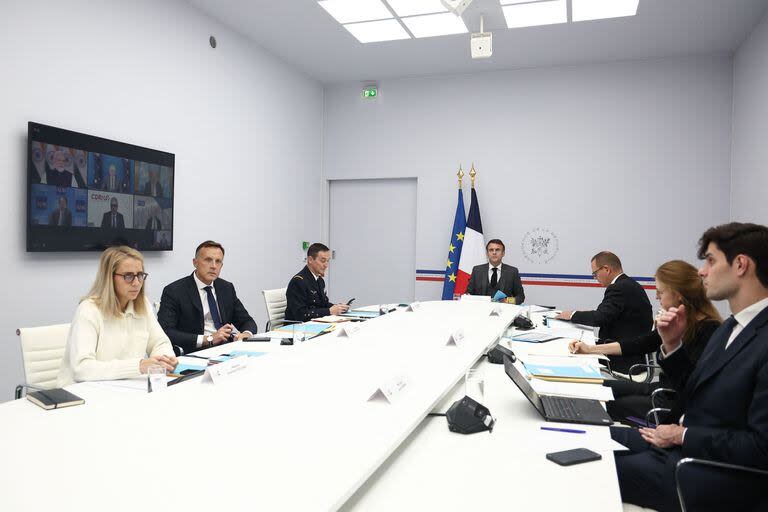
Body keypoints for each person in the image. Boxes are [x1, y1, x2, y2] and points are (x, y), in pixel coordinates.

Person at [613, 223, 768, 511]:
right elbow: (693, 393)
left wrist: (682, 435)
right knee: (595, 436)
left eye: (710, 260)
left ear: (741, 265)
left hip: (703, 473)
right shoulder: (732, 327)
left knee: (587, 465)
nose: (702, 271)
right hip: (676, 448)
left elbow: (761, 447)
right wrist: (672, 346)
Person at [569, 260, 721, 422]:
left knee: (603, 403)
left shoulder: (709, 330)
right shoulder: (678, 323)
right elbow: (638, 344)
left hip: (672, 402)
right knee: (595, 385)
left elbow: (689, 385)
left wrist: (671, 343)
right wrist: (589, 349)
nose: (656, 297)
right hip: (659, 389)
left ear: (678, 295)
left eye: (660, 292)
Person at [57, 246, 177, 386]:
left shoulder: (142, 305)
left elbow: (160, 342)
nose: (137, 283)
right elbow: (81, 369)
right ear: (109, 277)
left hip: (124, 388)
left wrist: (165, 360)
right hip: (80, 394)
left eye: (140, 275)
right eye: (128, 276)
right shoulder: (89, 310)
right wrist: (138, 366)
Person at [556, 251, 653, 373]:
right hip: (630, 354)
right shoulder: (629, 284)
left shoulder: (619, 288)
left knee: (570, 354)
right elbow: (605, 314)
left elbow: (600, 317)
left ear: (606, 269)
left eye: (595, 273)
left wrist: (572, 315)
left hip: (623, 359)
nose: (595, 278)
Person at [157, 240, 257, 354]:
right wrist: (208, 339)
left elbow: (247, 321)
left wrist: (245, 335)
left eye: (218, 261)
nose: (214, 266)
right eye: (208, 260)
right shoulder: (174, 291)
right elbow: (166, 331)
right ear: (195, 262)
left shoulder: (226, 288)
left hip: (226, 348)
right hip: (195, 351)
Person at [285, 243, 350, 322]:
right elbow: (301, 314)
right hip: (296, 329)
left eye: (328, 261)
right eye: (323, 261)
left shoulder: (319, 280)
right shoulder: (298, 281)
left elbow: (323, 304)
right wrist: (329, 311)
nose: (326, 265)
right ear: (310, 260)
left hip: (313, 324)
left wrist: (338, 307)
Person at [465, 239, 525, 304]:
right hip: (481, 311)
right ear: (487, 253)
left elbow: (521, 297)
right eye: (491, 250)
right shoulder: (477, 270)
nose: (494, 252)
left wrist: (506, 301)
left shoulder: (512, 272)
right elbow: (469, 294)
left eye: (497, 250)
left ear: (503, 253)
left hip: (505, 311)